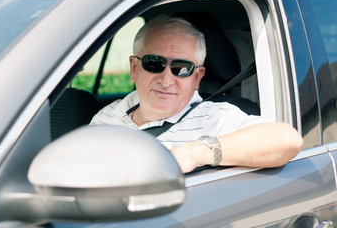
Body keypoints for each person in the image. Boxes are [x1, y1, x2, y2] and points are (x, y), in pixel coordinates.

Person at [90, 15, 303, 173]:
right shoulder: (108, 115)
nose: (166, 80)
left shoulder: (215, 118)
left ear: (197, 78)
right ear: (134, 68)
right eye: (154, 64)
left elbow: (287, 140)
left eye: (181, 68)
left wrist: (195, 153)